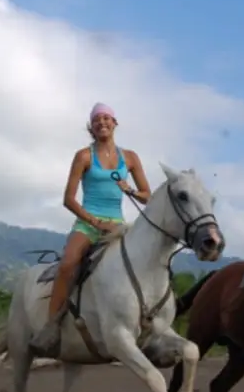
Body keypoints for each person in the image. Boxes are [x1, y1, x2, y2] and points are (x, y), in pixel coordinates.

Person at [29, 102, 152, 358]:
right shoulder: (84, 156)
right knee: (67, 264)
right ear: (91, 127)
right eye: (97, 120)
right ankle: (51, 327)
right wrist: (94, 222)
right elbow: (68, 199)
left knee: (141, 265)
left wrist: (130, 190)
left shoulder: (130, 157)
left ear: (115, 123)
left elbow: (147, 196)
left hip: (117, 225)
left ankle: (147, 325)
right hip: (88, 223)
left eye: (106, 118)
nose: (102, 123)